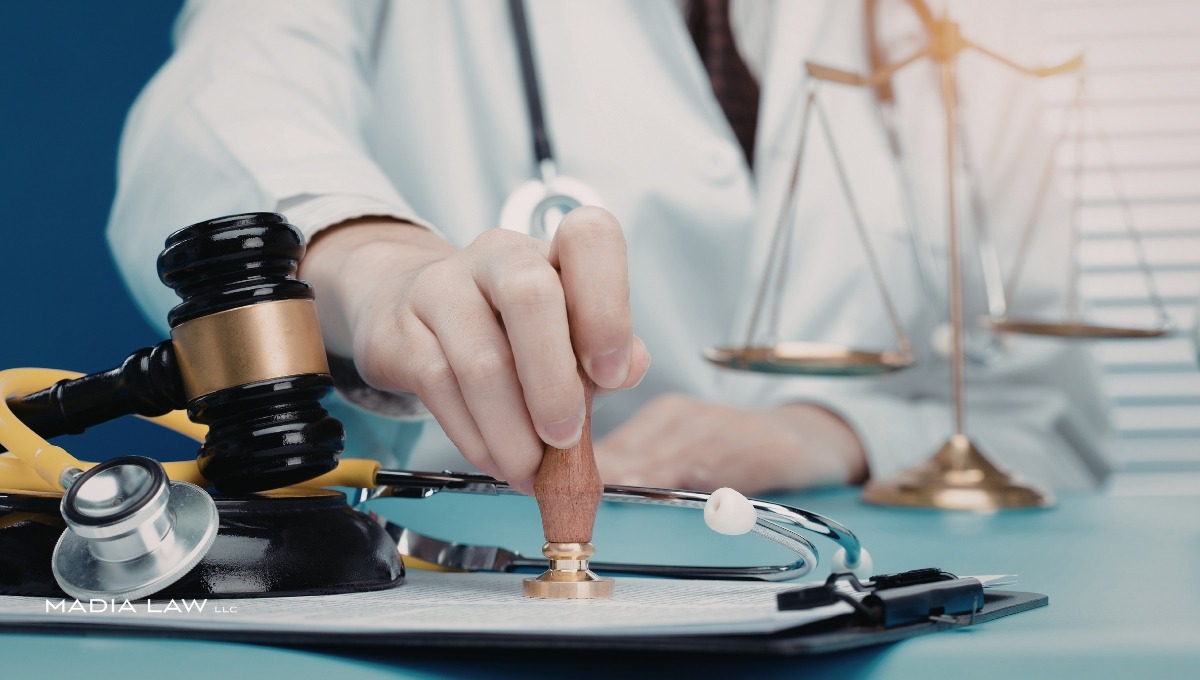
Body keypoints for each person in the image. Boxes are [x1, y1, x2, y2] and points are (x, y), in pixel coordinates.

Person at [107, 0, 1113, 496]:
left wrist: (829, 433)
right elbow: (226, 97)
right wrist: (377, 264)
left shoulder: (966, 28)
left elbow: (1053, 418)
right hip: (497, 572)